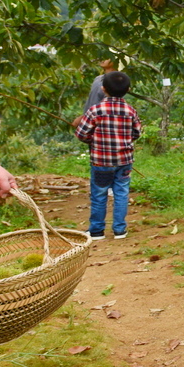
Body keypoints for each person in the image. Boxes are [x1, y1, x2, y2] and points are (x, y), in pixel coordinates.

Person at [74, 71, 141, 241]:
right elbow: (137, 132)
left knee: (98, 194)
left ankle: (97, 231)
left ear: (103, 89)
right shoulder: (130, 110)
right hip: (124, 161)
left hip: (101, 161)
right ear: (128, 89)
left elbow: (82, 134)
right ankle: (120, 230)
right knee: (121, 193)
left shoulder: (95, 110)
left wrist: (94, 141)